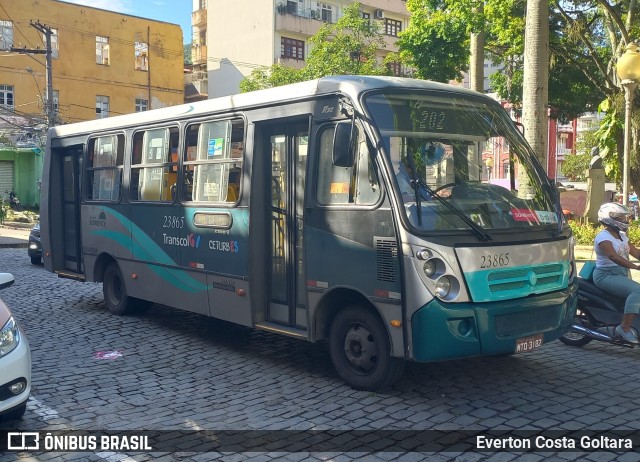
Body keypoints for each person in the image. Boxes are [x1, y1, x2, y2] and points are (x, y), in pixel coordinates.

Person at [592, 202, 640, 343]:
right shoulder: (603, 237)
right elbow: (613, 257)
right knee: (638, 291)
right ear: (609, 218)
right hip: (606, 275)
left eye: (624, 217)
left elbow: (636, 252)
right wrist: (636, 267)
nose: (624, 220)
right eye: (620, 217)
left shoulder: (622, 236)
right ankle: (624, 328)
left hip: (620, 273)